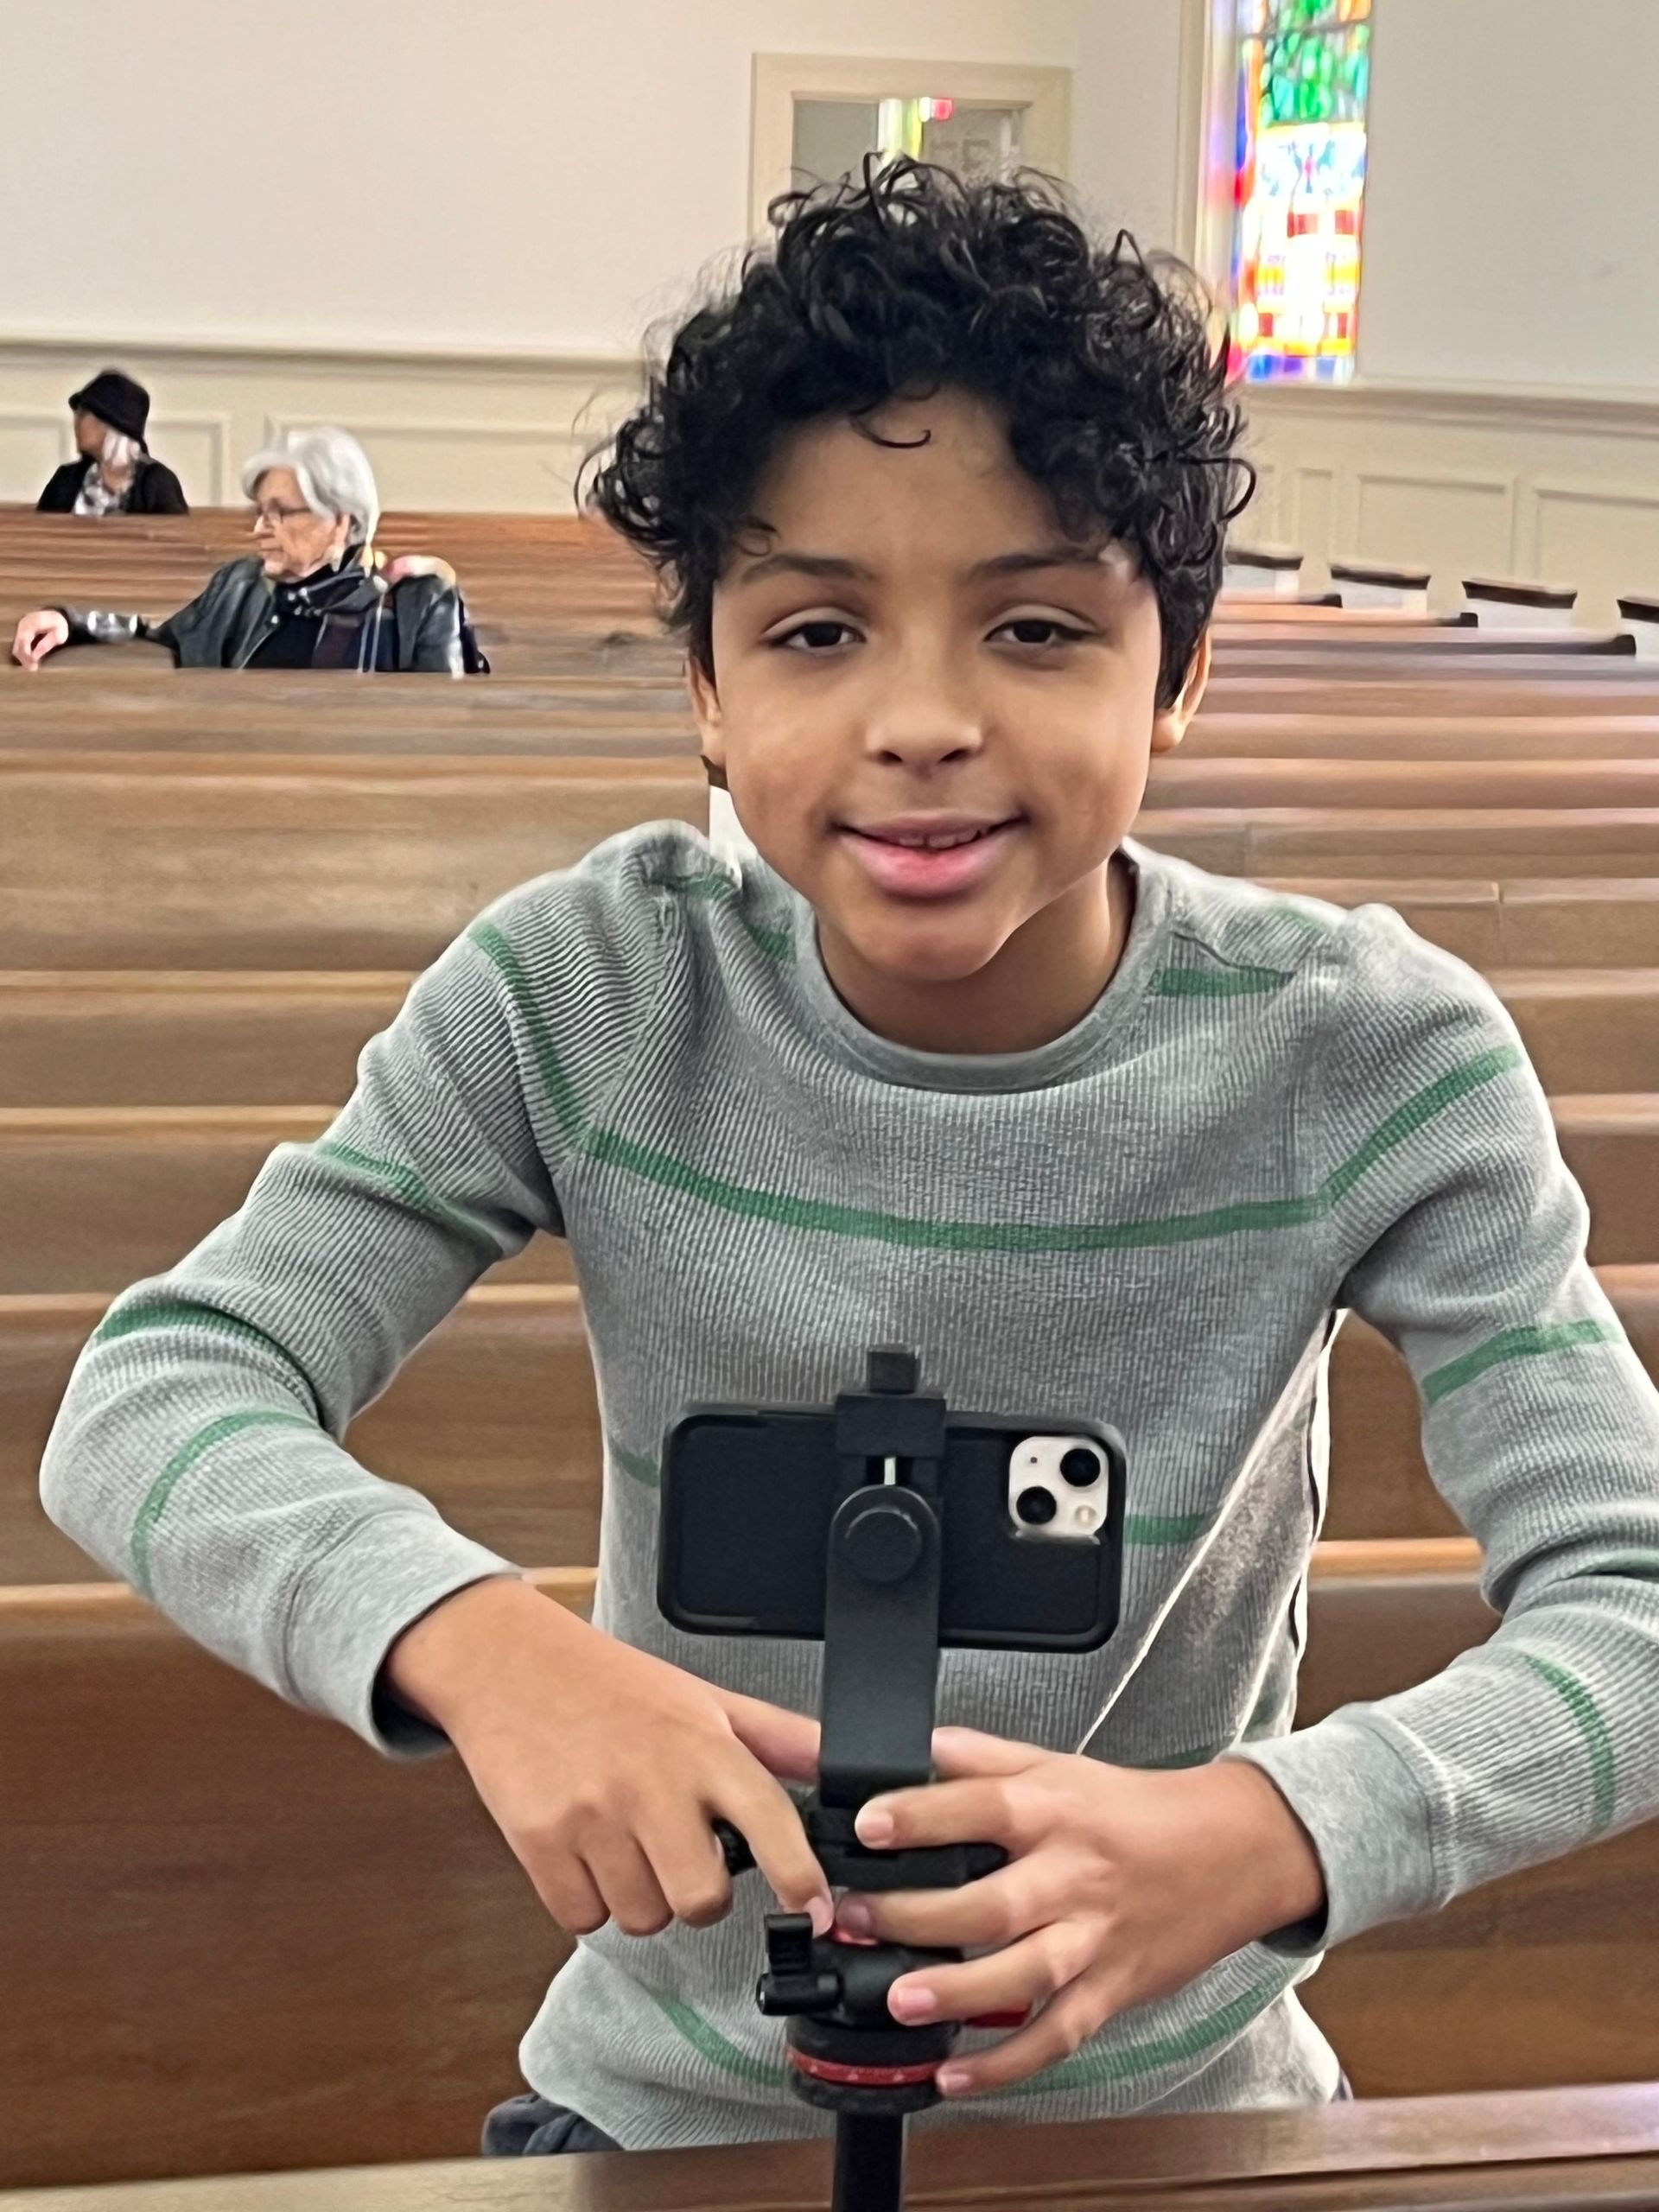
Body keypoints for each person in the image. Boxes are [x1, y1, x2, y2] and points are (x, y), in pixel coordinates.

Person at [41, 162, 1659, 2158]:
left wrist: (1264, 1829)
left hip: (1176, 2122)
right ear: (707, 688)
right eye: (815, 627)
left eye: (1039, 626)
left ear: (1178, 669)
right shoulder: (586, 993)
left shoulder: (1366, 1052)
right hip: (658, 2114)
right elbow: (153, 1391)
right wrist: (478, 1642)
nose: (919, 722)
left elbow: (1636, 1593)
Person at [11, 426, 483, 674]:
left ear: (341, 519)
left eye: (282, 513)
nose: (261, 528)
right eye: (260, 511)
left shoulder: (414, 603)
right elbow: (162, 633)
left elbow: (444, 727)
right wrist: (68, 620)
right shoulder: (240, 585)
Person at [35, 368, 188, 515]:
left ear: (109, 423)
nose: (76, 422)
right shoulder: (66, 478)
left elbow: (174, 536)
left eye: (83, 414)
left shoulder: (156, 482)